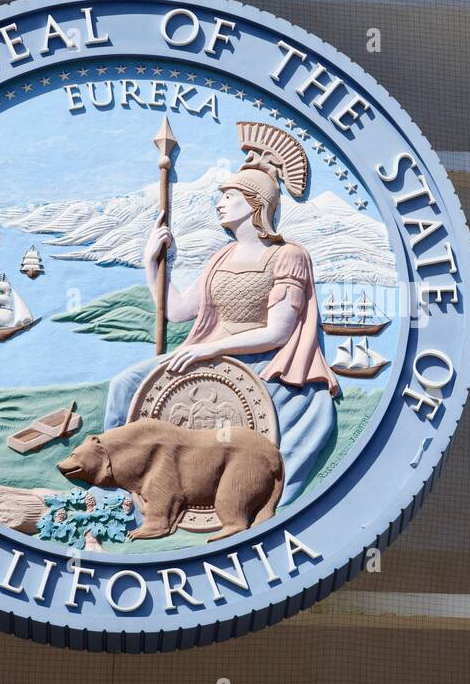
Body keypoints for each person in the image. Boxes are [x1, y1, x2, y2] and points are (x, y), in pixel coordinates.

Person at [105, 124, 338, 507]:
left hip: (259, 360)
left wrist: (207, 352)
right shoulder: (221, 257)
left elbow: (278, 332)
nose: (220, 203)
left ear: (254, 202)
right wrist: (152, 264)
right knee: (125, 383)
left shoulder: (288, 255)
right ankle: (117, 485)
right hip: (208, 354)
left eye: (229, 196)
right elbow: (178, 311)